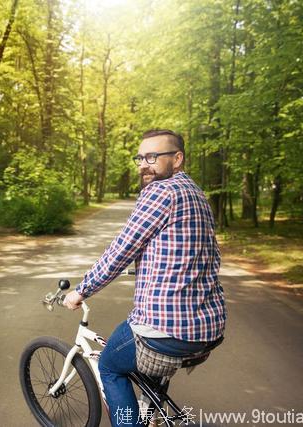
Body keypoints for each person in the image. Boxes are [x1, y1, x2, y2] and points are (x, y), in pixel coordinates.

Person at [63, 129, 226, 427]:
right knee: (145, 365)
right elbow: (204, 255)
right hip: (208, 329)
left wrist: (80, 291)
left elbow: (121, 250)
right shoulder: (196, 193)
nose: (143, 164)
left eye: (153, 157)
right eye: (140, 157)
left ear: (177, 159)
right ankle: (151, 413)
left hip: (166, 329)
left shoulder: (161, 192)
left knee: (111, 366)